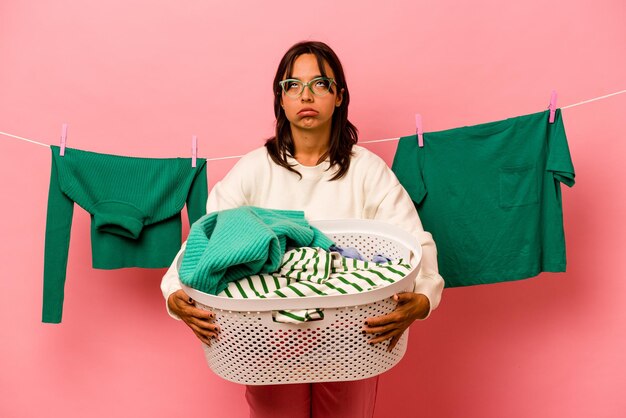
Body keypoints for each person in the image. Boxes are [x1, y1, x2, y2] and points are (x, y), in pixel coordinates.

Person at [160, 40, 444, 418]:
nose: (305, 95)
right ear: (280, 98)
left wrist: (424, 295)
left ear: (339, 95)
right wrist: (174, 292)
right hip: (267, 340)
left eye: (320, 84)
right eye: (292, 85)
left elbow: (412, 240)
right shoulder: (253, 168)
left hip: (352, 337)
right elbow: (207, 236)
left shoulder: (366, 170)